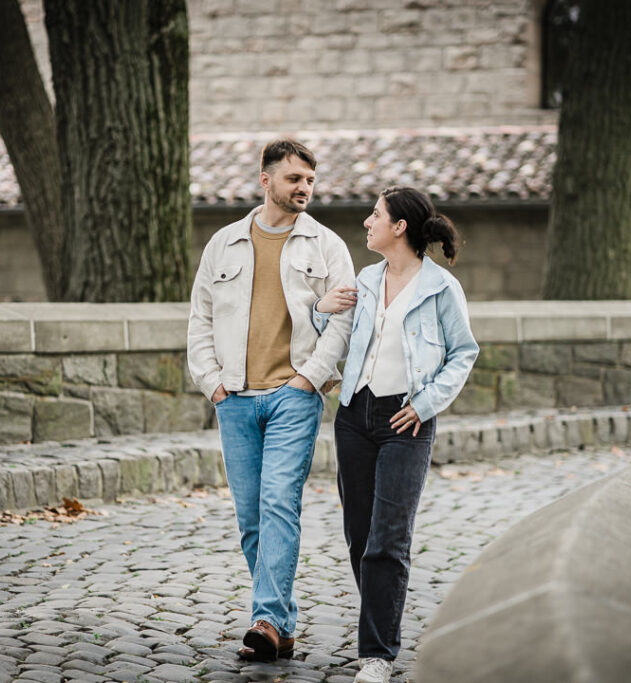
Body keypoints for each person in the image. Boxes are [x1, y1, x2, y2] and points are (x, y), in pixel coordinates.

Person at [187, 139, 355, 662]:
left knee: (280, 502)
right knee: (251, 518)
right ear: (266, 180)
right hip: (234, 398)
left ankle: (265, 620)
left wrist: (308, 379)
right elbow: (200, 320)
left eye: (309, 180)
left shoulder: (326, 246)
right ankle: (279, 626)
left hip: (293, 397)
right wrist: (212, 383)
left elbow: (344, 321)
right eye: (294, 179)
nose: (304, 188)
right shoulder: (224, 243)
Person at [313, 186, 478, 683]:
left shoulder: (441, 288)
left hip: (406, 421)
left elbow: (463, 353)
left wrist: (424, 406)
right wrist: (323, 308)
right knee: (359, 536)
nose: (367, 222)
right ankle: (380, 619)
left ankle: (377, 655)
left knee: (388, 540)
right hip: (354, 417)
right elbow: (334, 336)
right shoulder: (365, 280)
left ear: (399, 227)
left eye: (376, 215)